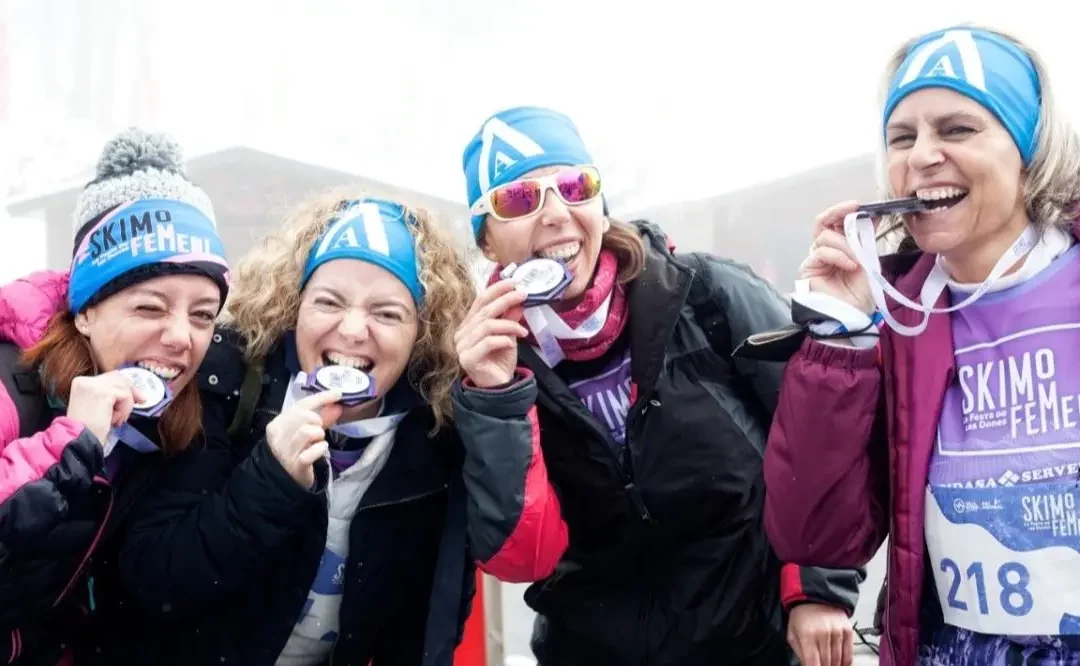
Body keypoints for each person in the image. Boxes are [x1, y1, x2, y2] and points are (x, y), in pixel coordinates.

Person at [450, 105, 866, 666]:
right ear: (488, 243)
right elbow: (526, 558)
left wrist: (816, 589)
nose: (555, 214)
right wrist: (498, 397)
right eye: (519, 200)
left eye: (575, 186)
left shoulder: (705, 295)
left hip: (754, 644)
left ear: (599, 204)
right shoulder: (491, 365)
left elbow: (817, 439)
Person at [760, 25, 1080, 665]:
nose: (922, 156)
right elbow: (817, 536)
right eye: (902, 137)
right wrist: (840, 336)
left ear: (1027, 148)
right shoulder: (897, 316)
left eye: (957, 129)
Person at [84, 192, 478, 666]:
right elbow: (153, 578)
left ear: (422, 332)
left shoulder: (435, 433)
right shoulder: (225, 386)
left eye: (387, 313)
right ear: (294, 309)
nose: (353, 330)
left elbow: (422, 625)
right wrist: (270, 477)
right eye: (329, 301)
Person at [0, 128, 230, 664]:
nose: (181, 337)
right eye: (150, 307)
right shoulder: (13, 378)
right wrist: (67, 448)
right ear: (85, 310)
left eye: (202, 314)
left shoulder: (179, 416)